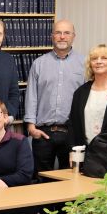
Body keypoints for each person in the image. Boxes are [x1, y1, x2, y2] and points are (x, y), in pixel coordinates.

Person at [24, 20, 86, 173]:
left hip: (72, 133)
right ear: (52, 36)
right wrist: (31, 127)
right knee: (41, 180)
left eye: (67, 33)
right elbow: (31, 95)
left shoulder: (84, 64)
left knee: (73, 179)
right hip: (43, 133)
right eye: (58, 32)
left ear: (74, 36)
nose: (62, 37)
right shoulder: (39, 64)